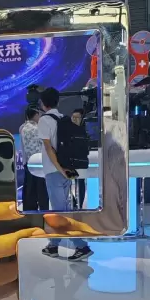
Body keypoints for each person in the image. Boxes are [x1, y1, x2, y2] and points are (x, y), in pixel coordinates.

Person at [37, 87, 93, 261]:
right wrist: (64, 169)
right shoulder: (63, 118)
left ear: (43, 103)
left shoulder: (44, 120)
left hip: (55, 171)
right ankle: (53, 245)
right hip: (67, 169)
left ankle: (81, 246)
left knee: (61, 213)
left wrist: (59, 169)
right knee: (61, 210)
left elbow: (49, 148)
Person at [19, 106, 48, 211]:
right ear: (36, 115)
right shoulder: (38, 128)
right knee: (42, 191)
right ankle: (44, 211)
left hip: (28, 163)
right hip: (40, 162)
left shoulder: (22, 128)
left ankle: (30, 212)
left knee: (30, 191)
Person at [70, 108, 89, 208]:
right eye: (73, 117)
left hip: (81, 161)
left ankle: (79, 205)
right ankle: (73, 203)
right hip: (69, 161)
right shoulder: (67, 130)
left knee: (80, 182)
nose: (74, 119)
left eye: (77, 117)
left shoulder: (86, 130)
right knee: (67, 182)